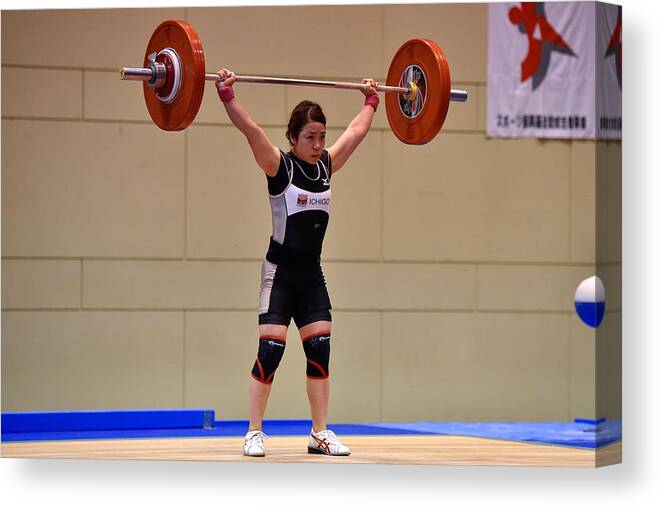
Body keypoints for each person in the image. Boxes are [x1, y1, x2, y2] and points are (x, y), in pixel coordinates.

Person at [216, 68, 379, 457]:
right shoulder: (280, 167)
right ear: (293, 138)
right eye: (310, 137)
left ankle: (319, 432)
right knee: (271, 351)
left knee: (319, 351)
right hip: (280, 274)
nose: (319, 144)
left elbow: (355, 133)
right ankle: (254, 432)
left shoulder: (326, 167)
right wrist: (226, 95)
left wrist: (372, 101)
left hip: (311, 276)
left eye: (322, 136)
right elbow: (251, 130)